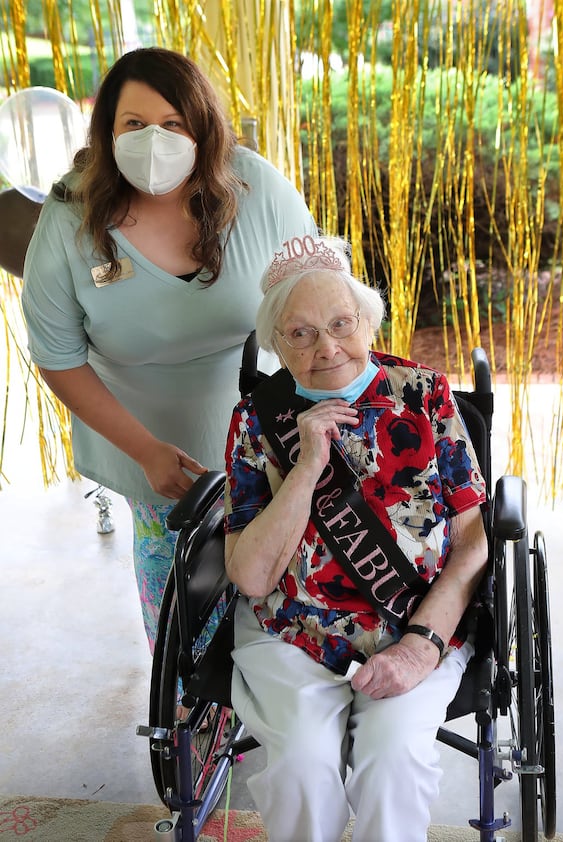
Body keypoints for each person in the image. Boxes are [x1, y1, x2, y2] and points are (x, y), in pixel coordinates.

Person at [21, 47, 316, 654]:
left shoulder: (257, 186)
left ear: (201, 127)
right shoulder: (71, 213)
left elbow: (320, 299)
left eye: (173, 124)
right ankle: (192, 724)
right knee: (184, 599)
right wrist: (147, 451)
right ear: (107, 130)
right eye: (133, 124)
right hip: (143, 437)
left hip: (261, 418)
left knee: (282, 583)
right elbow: (57, 353)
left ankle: (283, 697)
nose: (153, 140)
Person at [223, 234, 488, 842]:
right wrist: (308, 466)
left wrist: (423, 645)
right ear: (276, 344)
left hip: (416, 622)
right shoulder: (257, 418)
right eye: (301, 333)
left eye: (342, 323)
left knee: (394, 761)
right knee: (300, 766)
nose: (328, 346)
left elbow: (475, 541)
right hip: (292, 631)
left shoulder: (425, 397)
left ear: (367, 320)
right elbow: (253, 577)